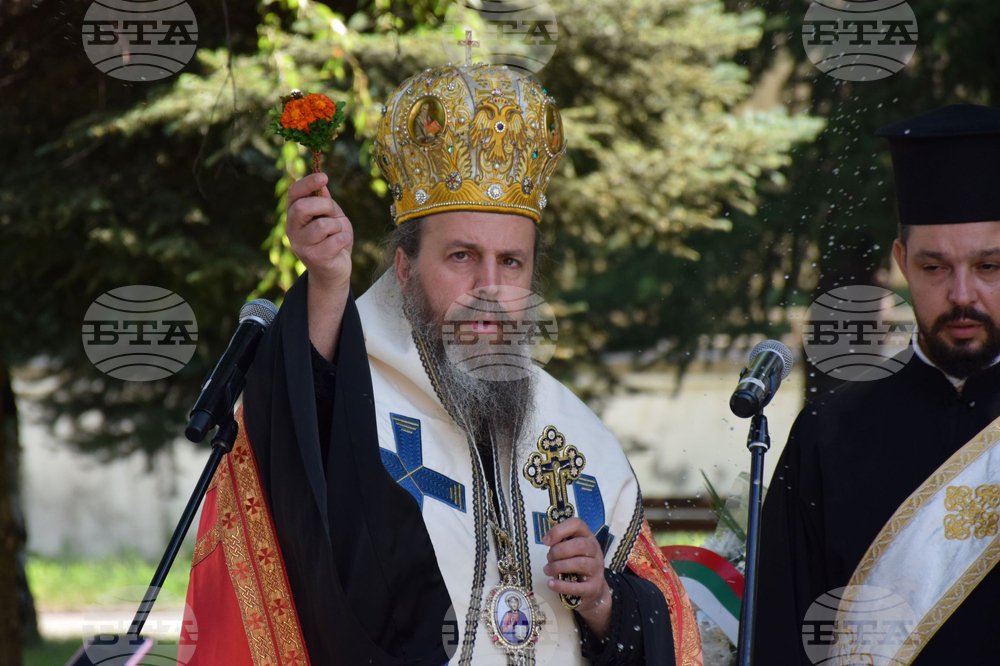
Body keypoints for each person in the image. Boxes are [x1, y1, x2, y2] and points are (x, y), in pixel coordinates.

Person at [179, 57, 703, 666]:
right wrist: (327, 282)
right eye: (462, 256)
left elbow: (666, 625)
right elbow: (304, 483)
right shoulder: (355, 394)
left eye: (511, 263)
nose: (489, 288)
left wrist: (604, 603)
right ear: (404, 269)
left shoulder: (576, 434)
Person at [754, 104, 1000, 665]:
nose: (962, 294)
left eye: (989, 266)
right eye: (935, 268)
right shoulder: (829, 432)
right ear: (901, 262)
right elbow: (780, 636)